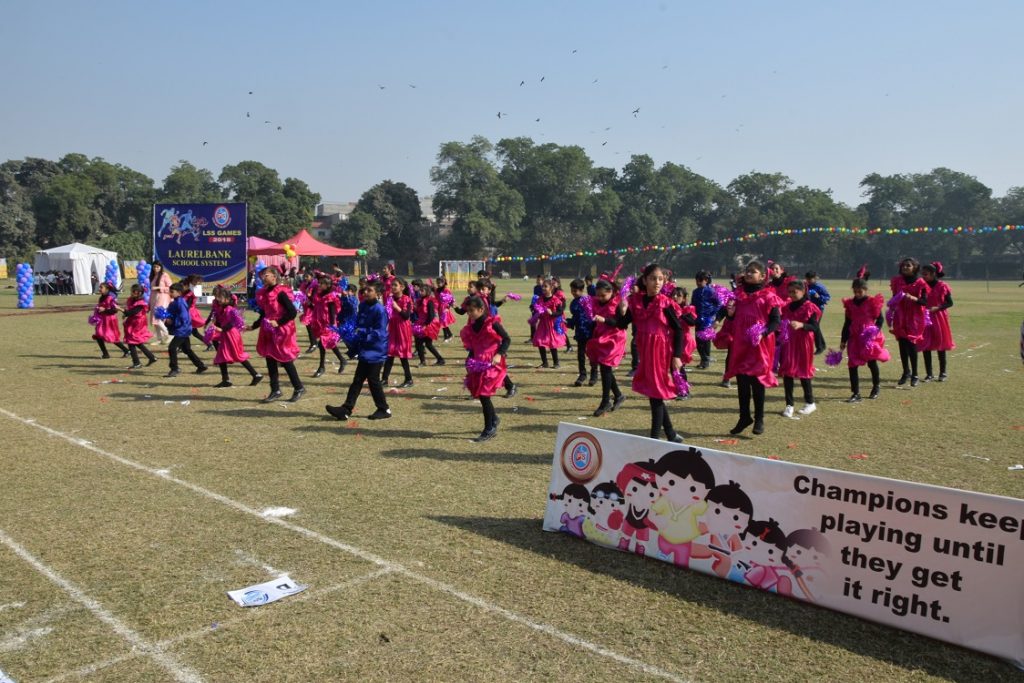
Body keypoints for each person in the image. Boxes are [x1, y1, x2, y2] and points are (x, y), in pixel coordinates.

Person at [614, 264, 685, 442]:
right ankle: (670, 433)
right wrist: (621, 307)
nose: (657, 283)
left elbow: (679, 330)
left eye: (660, 279)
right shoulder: (636, 301)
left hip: (661, 353)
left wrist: (677, 356)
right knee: (655, 393)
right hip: (645, 352)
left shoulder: (666, 303)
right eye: (653, 278)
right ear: (645, 280)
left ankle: (654, 439)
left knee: (655, 394)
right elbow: (622, 324)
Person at [723, 261, 782, 435]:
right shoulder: (738, 295)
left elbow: (775, 321)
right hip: (741, 343)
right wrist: (730, 314)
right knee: (742, 382)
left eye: (753, 272)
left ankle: (759, 419)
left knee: (757, 383)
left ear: (763, 276)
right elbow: (732, 319)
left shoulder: (769, 296)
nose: (749, 274)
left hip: (759, 345)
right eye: (747, 271)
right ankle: (744, 417)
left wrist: (763, 333)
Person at [325, 280, 392, 421]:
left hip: (376, 350)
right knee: (358, 380)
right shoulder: (362, 305)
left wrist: (360, 332)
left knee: (373, 380)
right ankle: (346, 409)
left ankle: (384, 409)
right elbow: (357, 322)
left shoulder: (380, 310)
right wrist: (348, 330)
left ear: (378, 293)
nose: (365, 292)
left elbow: (379, 332)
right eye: (365, 290)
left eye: (370, 290)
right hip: (365, 347)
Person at [250, 266, 305, 403]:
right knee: (270, 359)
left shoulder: (280, 292)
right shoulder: (263, 292)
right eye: (262, 275)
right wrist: (254, 326)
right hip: (268, 329)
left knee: (285, 359)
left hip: (282, 329)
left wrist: (279, 322)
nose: (263, 277)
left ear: (274, 276)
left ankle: (299, 387)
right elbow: (265, 312)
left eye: (266, 275)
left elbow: (292, 312)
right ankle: (275, 390)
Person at [461, 295, 511, 442]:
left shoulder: (492, 323)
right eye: (467, 311)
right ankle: (494, 419)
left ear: (481, 309)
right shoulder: (471, 326)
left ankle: (489, 428)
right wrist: (469, 360)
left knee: (484, 394)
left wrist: (499, 355)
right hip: (477, 363)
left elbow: (507, 339)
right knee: (479, 393)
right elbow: (473, 346)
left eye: (472, 310)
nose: (469, 314)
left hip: (491, 362)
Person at [841, 268, 889, 402]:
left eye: (860, 291)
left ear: (865, 289)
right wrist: (843, 340)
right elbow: (847, 322)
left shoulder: (872, 302)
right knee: (852, 364)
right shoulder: (850, 304)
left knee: (871, 362)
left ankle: (876, 386)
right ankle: (855, 393)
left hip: (868, 336)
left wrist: (875, 331)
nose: (857, 294)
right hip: (854, 336)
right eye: (855, 291)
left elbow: (880, 319)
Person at [778, 281, 822, 418]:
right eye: (789, 292)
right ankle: (789, 405)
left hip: (804, 343)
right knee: (788, 372)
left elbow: (814, 327)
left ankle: (810, 402)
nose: (791, 295)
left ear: (803, 291)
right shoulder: (786, 307)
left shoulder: (810, 307)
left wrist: (802, 325)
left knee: (804, 372)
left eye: (794, 292)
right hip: (789, 343)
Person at [587, 279, 628, 416]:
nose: (600, 298)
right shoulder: (595, 302)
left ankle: (605, 401)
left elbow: (619, 323)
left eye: (603, 295)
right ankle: (618, 395)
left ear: (611, 292)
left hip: (614, 338)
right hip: (601, 337)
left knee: (605, 366)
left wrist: (604, 320)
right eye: (598, 295)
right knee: (605, 368)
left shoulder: (617, 303)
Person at [210, 286, 262, 387]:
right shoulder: (221, 308)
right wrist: (214, 324)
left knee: (238, 355)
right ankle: (226, 380)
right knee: (221, 355)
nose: (218, 299)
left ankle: (255, 374)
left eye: (220, 297)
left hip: (232, 334)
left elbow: (233, 322)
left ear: (227, 299)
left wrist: (221, 329)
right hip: (226, 334)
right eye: (217, 297)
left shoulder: (230, 309)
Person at [889, 257, 929, 387]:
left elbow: (924, 301)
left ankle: (915, 374)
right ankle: (905, 372)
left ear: (915, 268)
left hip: (914, 317)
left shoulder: (920, 283)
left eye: (908, 265)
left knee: (911, 344)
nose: (905, 267)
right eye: (904, 265)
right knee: (902, 344)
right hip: (900, 316)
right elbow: (894, 298)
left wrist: (912, 298)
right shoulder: (896, 281)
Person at [918, 262, 954, 382]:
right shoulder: (922, 286)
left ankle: (942, 372)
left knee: (940, 344)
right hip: (925, 318)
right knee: (926, 345)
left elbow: (950, 302)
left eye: (926, 274)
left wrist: (938, 307)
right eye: (922, 274)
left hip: (939, 317)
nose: (923, 276)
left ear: (933, 274)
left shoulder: (942, 286)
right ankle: (929, 373)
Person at [163, 282, 208, 377]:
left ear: (179, 292)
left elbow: (184, 317)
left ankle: (174, 368)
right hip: (183, 329)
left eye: (172, 292)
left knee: (172, 348)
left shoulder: (180, 302)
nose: (170, 293)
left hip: (183, 330)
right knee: (187, 349)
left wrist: (173, 322)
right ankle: (201, 366)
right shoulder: (176, 301)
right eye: (169, 291)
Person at [309, 275, 348, 377]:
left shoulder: (330, 297)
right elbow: (316, 308)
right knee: (329, 343)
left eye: (322, 283)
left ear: (328, 285)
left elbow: (332, 312)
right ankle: (342, 360)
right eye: (319, 283)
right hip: (321, 323)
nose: (320, 285)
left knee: (322, 344)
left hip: (329, 324)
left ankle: (321, 367)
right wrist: (309, 303)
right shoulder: (319, 295)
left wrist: (332, 326)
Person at [382, 277, 415, 388]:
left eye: (395, 285)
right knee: (389, 353)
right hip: (392, 327)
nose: (393, 287)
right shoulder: (389, 298)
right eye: (392, 285)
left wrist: (396, 307)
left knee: (402, 355)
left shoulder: (407, 299)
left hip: (403, 328)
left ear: (402, 287)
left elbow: (406, 316)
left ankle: (409, 379)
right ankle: (384, 379)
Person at [566, 279, 598, 387]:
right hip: (580, 332)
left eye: (575, 291)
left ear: (581, 290)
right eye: (572, 290)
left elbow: (594, 315)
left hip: (591, 331)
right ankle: (582, 374)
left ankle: (594, 375)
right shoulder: (573, 303)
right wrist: (568, 322)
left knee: (592, 354)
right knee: (580, 355)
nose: (573, 293)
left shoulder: (589, 300)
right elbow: (575, 318)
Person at [669, 286, 698, 398]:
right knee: (673, 366)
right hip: (673, 339)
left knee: (678, 366)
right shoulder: (669, 309)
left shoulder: (688, 309)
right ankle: (679, 389)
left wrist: (681, 314)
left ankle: (685, 391)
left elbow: (692, 322)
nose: (675, 297)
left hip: (684, 341)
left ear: (684, 298)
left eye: (679, 295)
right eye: (673, 295)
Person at [120, 284, 158, 369]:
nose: (132, 293)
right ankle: (151, 357)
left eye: (134, 291)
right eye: (132, 291)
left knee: (131, 342)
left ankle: (137, 363)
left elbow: (131, 312)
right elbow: (129, 311)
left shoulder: (141, 303)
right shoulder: (131, 300)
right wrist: (125, 315)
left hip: (137, 323)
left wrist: (120, 309)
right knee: (136, 342)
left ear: (140, 293)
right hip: (132, 322)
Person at [532, 278, 567, 368]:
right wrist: (534, 310)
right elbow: (536, 309)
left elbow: (560, 312)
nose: (543, 288)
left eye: (545, 286)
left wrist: (552, 313)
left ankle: (556, 363)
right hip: (543, 324)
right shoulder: (540, 299)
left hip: (551, 324)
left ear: (551, 288)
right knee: (540, 342)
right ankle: (545, 363)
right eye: (542, 286)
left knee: (552, 343)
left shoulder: (556, 300)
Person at [91, 281, 130, 359]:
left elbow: (115, 310)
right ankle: (105, 354)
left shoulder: (110, 298)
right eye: (99, 287)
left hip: (110, 320)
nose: (99, 289)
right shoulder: (101, 297)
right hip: (102, 320)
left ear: (107, 289)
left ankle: (126, 350)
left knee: (111, 336)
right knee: (99, 336)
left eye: (101, 287)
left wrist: (104, 310)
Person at [413, 281, 446, 366]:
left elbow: (431, 315)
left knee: (426, 344)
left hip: (428, 324)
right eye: (419, 291)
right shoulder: (420, 300)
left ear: (427, 291)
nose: (420, 292)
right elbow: (418, 313)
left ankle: (438, 359)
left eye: (422, 291)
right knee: (420, 344)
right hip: (420, 323)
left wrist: (425, 325)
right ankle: (434, 360)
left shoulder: (430, 301)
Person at [691, 271, 718, 369]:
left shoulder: (711, 291)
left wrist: (713, 314)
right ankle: (703, 359)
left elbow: (718, 304)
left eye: (700, 280)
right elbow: (692, 304)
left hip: (708, 320)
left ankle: (706, 361)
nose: (698, 282)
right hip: (698, 319)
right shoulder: (695, 291)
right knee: (698, 342)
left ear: (706, 280)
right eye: (696, 280)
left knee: (706, 341)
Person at [149, 261, 172, 344]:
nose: (156, 269)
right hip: (154, 298)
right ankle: (160, 339)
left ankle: (167, 333)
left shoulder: (164, 275)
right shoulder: (153, 276)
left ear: (161, 267)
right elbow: (152, 290)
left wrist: (158, 287)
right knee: (155, 320)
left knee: (157, 317)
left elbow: (170, 287)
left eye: (157, 267)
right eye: (154, 267)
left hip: (162, 297)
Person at [435, 275, 456, 341]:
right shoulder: (437, 290)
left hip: (445, 308)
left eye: (440, 283)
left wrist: (448, 308)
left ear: (444, 283)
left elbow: (451, 300)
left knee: (443, 322)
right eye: (437, 283)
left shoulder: (446, 290)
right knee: (443, 322)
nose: (438, 284)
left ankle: (446, 336)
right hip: (439, 308)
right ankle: (449, 334)